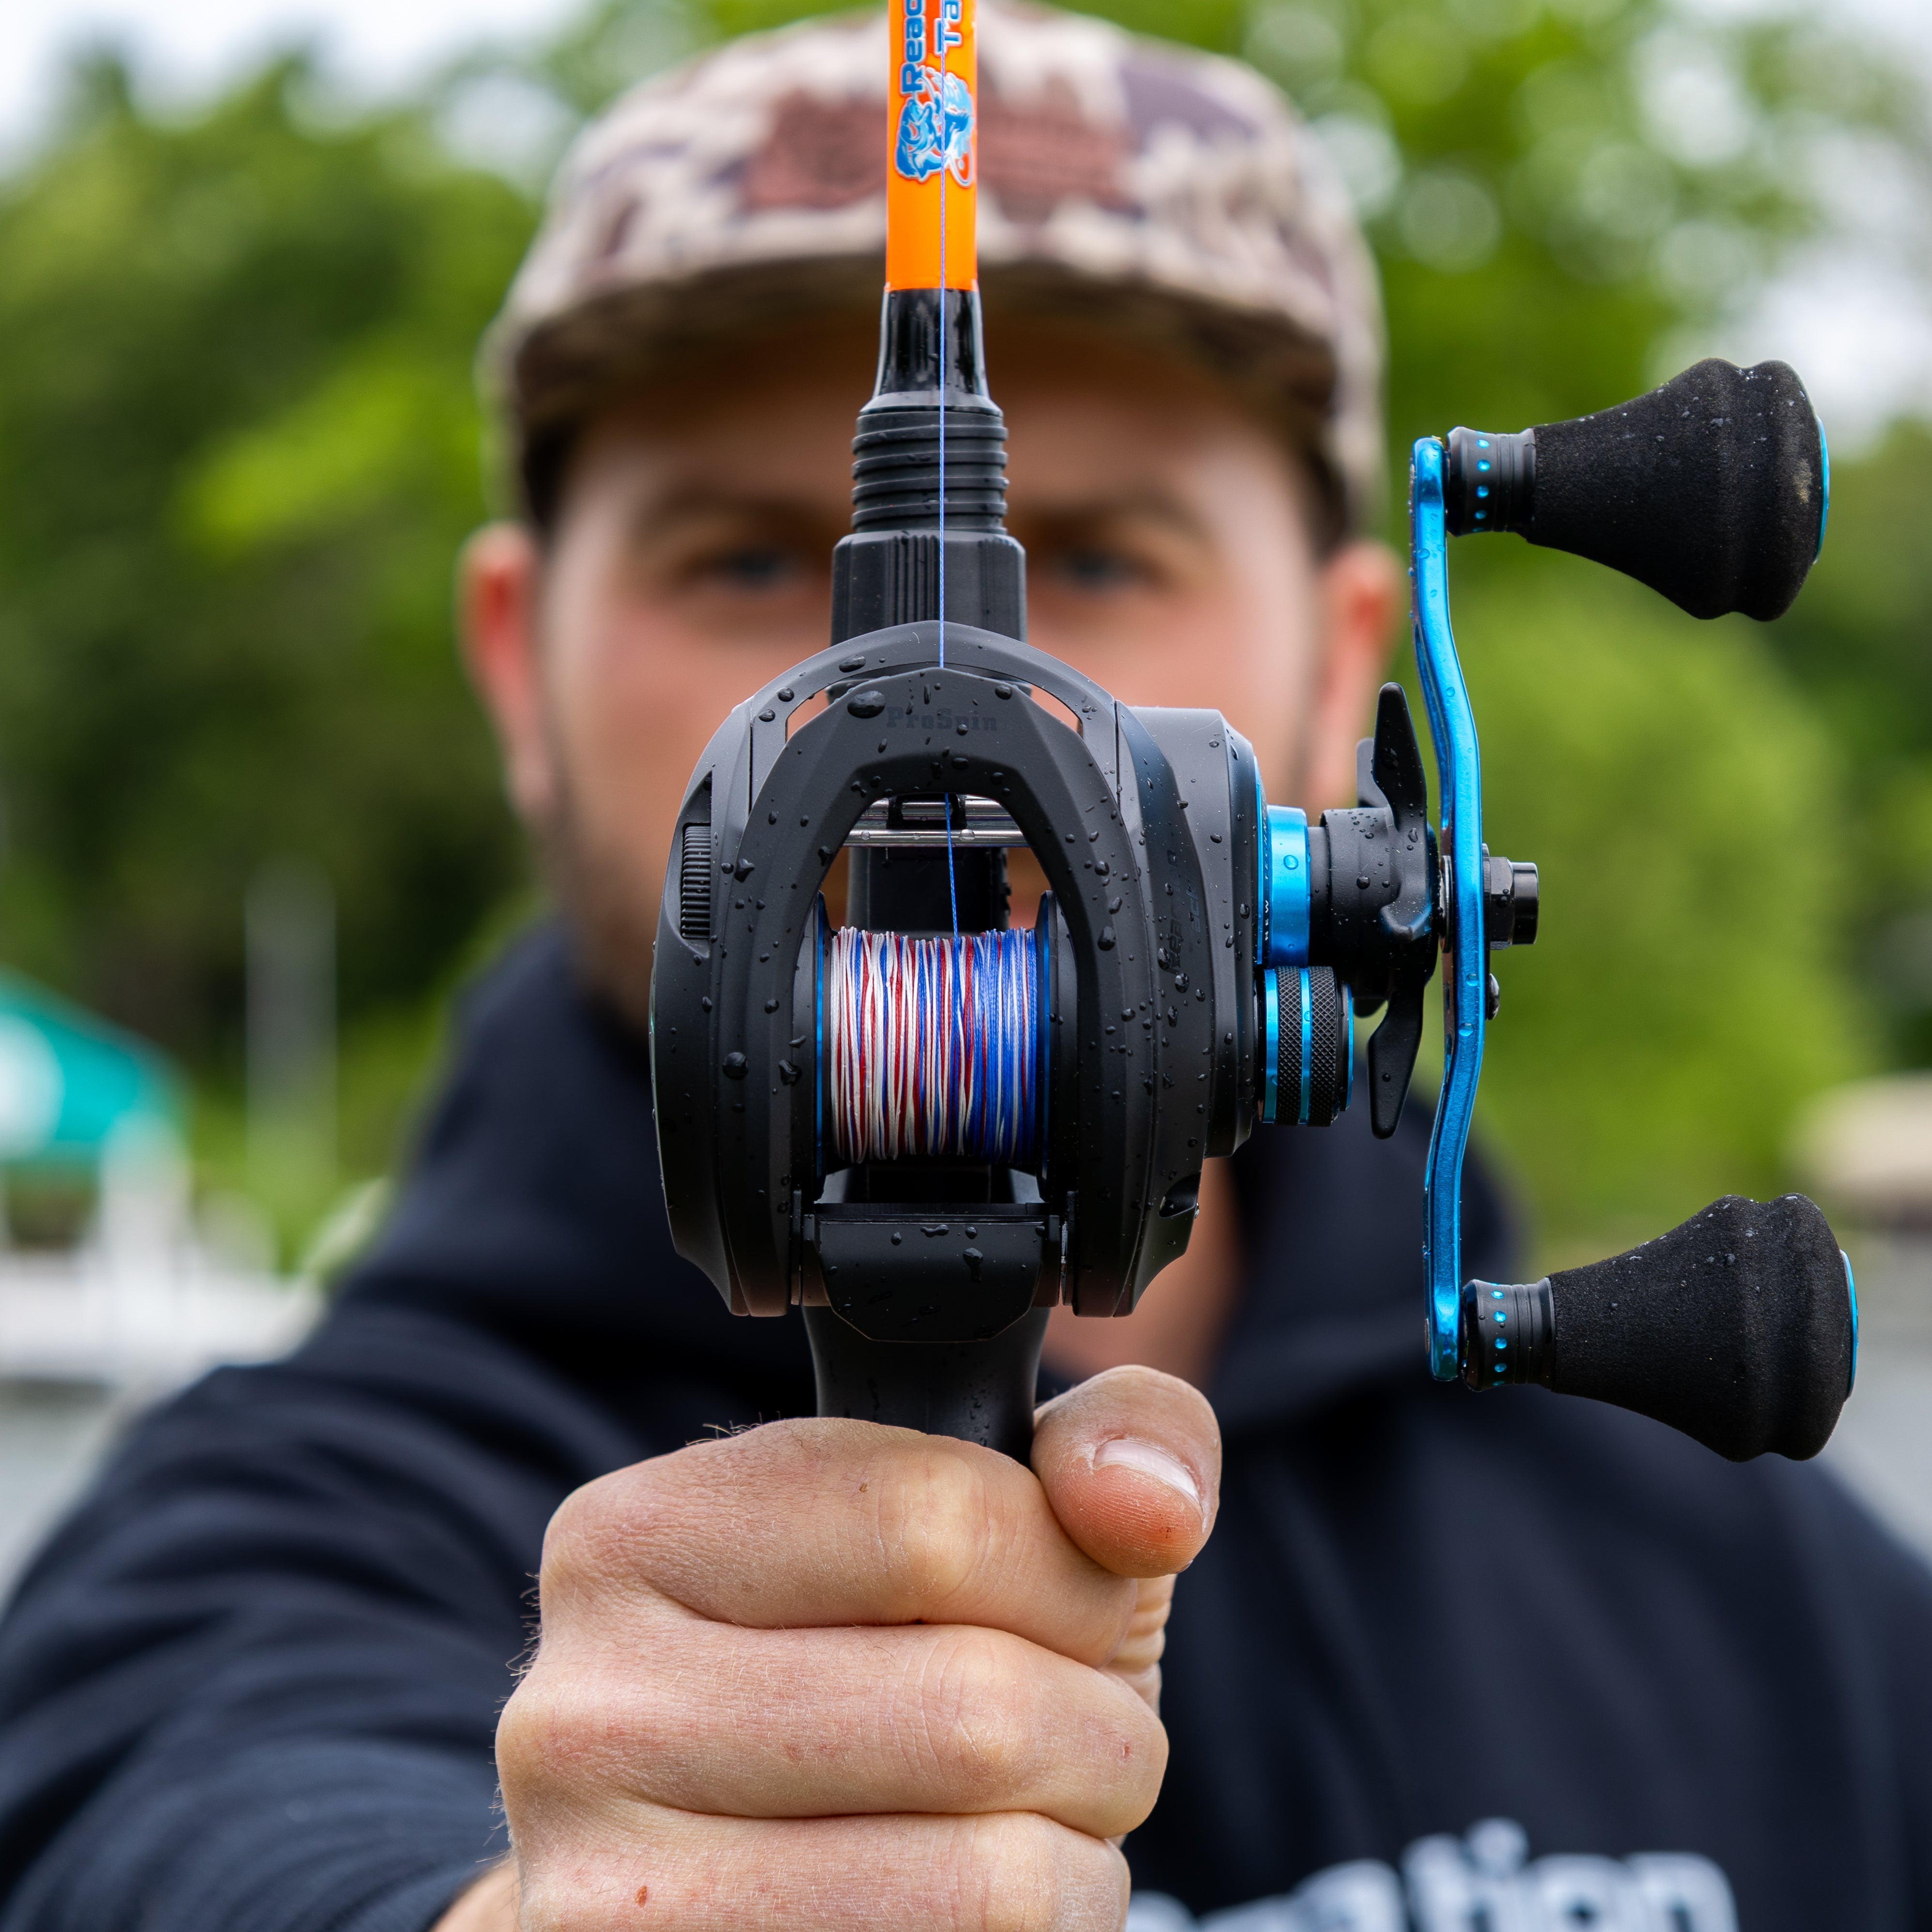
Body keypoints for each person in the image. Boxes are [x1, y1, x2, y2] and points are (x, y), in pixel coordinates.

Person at [1, 8, 1930, 1931]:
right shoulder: (243, 1552)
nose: (928, 696)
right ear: (518, 661)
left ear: (1348, 658)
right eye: (740, 562)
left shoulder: (1786, 1611)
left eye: (1100, 562)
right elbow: (193, 1841)